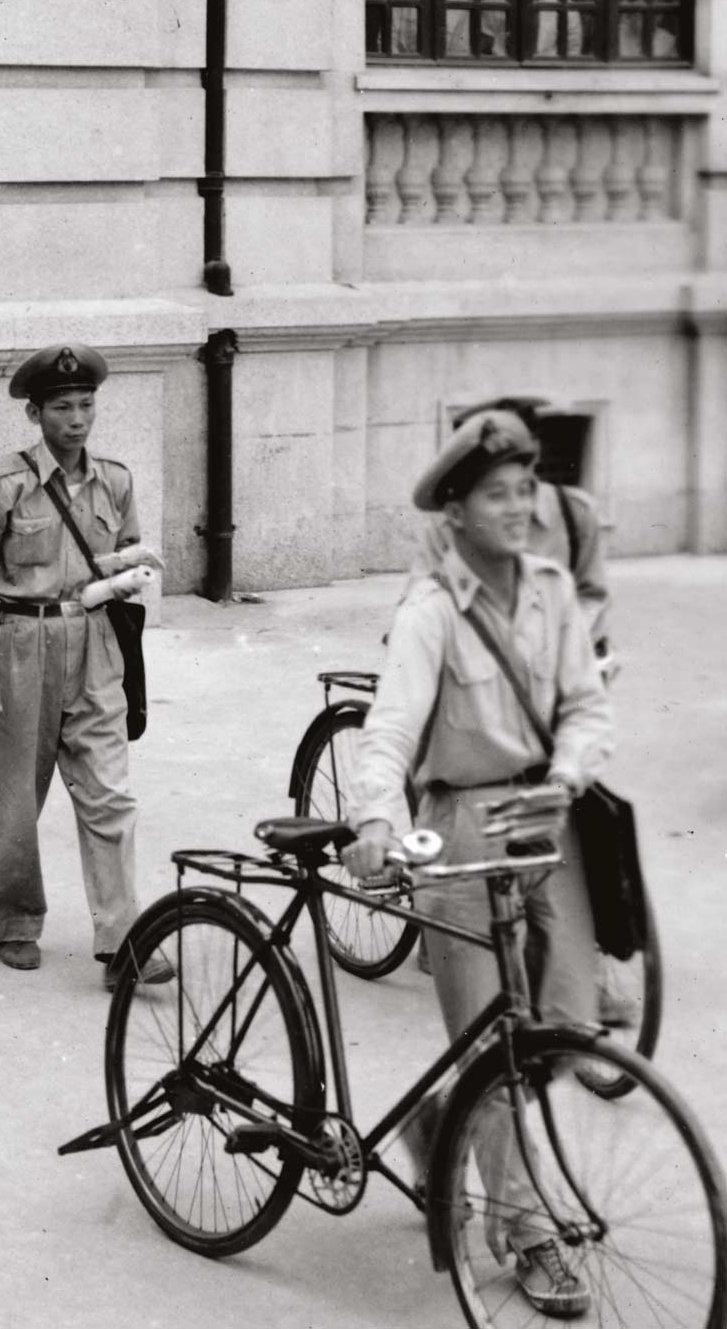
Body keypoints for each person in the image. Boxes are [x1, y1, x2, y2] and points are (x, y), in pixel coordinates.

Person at [344, 409, 613, 1318]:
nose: (517, 507)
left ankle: (440, 1122)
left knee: (569, 1024)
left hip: (551, 820)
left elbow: (585, 703)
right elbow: (388, 732)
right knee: (493, 1039)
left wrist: (570, 775)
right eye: (496, 493)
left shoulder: (550, 588)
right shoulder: (430, 612)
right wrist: (376, 822)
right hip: (461, 827)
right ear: (454, 511)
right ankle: (528, 1232)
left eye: (525, 489)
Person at [0, 343, 169, 987]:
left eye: (86, 405)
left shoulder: (116, 479)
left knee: (109, 794)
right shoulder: (6, 481)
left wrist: (133, 575)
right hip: (21, 641)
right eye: (63, 408)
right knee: (18, 796)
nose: (78, 419)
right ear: (35, 413)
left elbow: (131, 555)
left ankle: (122, 940)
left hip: (95, 644)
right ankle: (15, 921)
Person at [418, 396, 611, 659]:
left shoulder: (576, 512)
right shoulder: (445, 524)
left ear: (535, 448)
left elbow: (592, 595)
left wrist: (558, 644)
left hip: (564, 663)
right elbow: (420, 597)